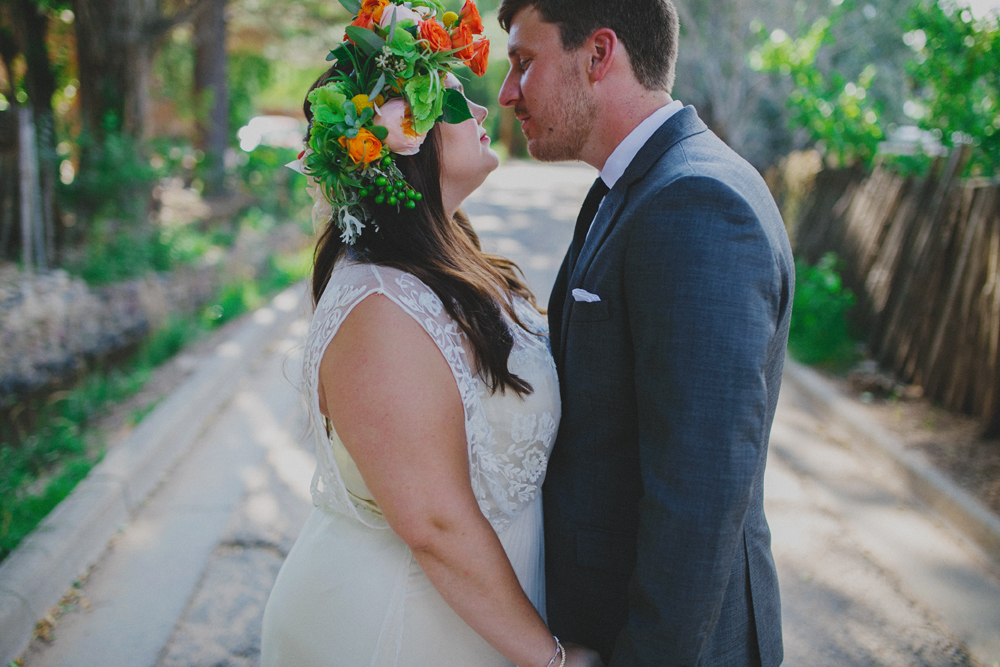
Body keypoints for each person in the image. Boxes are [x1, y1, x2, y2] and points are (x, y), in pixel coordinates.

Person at [261, 2, 601, 665]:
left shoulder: (449, 260)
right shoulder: (379, 306)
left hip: (472, 615)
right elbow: (434, 521)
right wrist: (554, 658)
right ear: (406, 144)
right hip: (398, 626)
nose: (481, 115)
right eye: (456, 105)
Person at [497, 1, 793, 665]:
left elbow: (699, 493)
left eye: (523, 63)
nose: (508, 92)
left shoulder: (697, 203)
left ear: (600, 55)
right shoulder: (624, 189)